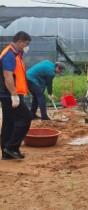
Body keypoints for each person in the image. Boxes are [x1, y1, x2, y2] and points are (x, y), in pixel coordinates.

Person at [0, 31, 32, 160]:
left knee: (9, 123)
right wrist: (14, 95)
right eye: (26, 44)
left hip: (10, 94)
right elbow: (8, 75)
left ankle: (6, 152)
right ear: (20, 41)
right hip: (9, 95)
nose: (27, 47)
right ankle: (12, 147)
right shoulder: (9, 54)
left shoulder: (16, 54)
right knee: (25, 118)